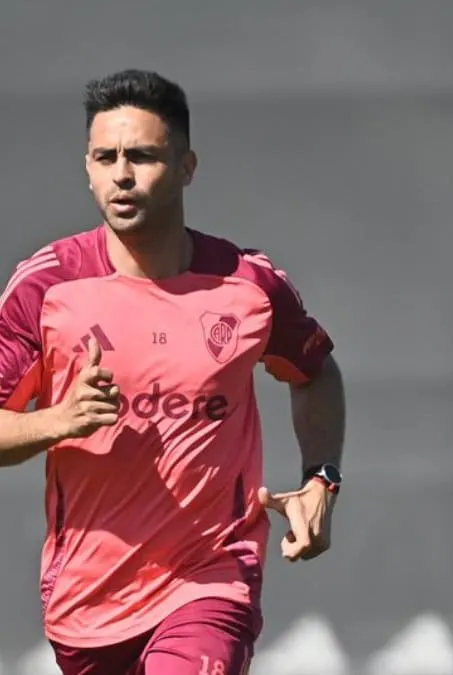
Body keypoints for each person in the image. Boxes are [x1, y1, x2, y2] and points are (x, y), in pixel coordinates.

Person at [0, 69, 346, 674]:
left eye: (143, 156)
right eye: (105, 157)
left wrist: (321, 479)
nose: (122, 175)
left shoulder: (247, 284)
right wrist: (57, 421)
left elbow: (313, 371)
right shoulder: (48, 287)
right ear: (87, 167)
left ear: (187, 167)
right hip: (89, 601)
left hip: (210, 580)